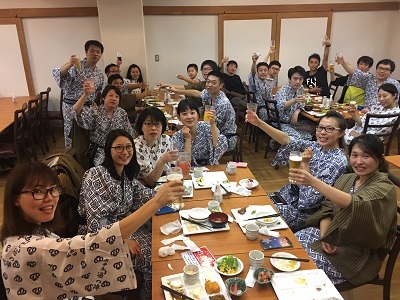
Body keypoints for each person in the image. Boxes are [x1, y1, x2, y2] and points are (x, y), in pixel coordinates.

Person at [0, 161, 184, 299]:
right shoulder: (25, 249)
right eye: (38, 191)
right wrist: (156, 202)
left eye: (53, 189)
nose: (49, 198)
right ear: (15, 199)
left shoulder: (33, 233)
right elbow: (92, 244)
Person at [293, 134, 397, 286]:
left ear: (380, 159)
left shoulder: (384, 188)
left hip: (357, 256)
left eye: (366, 156)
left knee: (300, 266)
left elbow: (357, 204)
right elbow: (328, 208)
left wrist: (313, 181)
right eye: (354, 155)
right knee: (290, 245)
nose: (359, 161)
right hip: (333, 235)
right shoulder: (348, 178)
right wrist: (325, 235)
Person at [78, 129, 166, 300]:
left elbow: (143, 195)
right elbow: (95, 224)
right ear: (108, 150)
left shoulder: (125, 175)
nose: (125, 152)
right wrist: (122, 240)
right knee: (152, 253)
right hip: (99, 240)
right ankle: (147, 296)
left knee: (160, 236)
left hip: (122, 228)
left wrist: (167, 195)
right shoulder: (95, 175)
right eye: (118, 148)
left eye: (128, 147)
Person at [246, 110, 348, 231]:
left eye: (329, 129)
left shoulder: (337, 161)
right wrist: (259, 123)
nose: (322, 133)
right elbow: (287, 140)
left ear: (341, 133)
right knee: (254, 203)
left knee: (256, 216)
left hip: (304, 212)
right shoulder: (317, 147)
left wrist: (305, 164)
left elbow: (309, 201)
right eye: (320, 128)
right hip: (289, 196)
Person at [52, 40, 104, 150]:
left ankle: (87, 156)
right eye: (92, 51)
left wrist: (93, 100)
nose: (95, 54)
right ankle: (72, 161)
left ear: (101, 55)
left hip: (89, 107)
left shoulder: (99, 73)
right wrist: (70, 63)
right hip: (72, 106)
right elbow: (60, 74)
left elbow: (97, 90)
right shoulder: (77, 66)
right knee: (72, 134)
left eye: (98, 52)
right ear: (86, 52)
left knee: (88, 134)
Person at [170, 71, 237, 151]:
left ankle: (201, 162)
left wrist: (190, 120)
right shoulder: (211, 93)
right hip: (212, 130)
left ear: (221, 85)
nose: (209, 85)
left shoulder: (222, 103)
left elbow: (212, 126)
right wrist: (177, 91)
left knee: (193, 142)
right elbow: (196, 93)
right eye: (208, 82)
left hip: (226, 138)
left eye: (214, 83)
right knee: (188, 136)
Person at [73, 83, 134, 167]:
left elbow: (129, 132)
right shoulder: (95, 111)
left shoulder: (121, 112)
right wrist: (85, 94)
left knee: (131, 162)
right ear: (103, 98)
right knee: (106, 167)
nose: (114, 98)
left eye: (117, 97)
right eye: (111, 95)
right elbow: (77, 110)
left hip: (119, 149)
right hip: (100, 150)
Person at [171, 99, 228, 166]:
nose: (189, 117)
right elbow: (185, 163)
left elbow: (218, 146)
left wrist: (212, 124)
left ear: (198, 115)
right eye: (184, 114)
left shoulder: (206, 127)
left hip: (210, 169)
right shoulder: (177, 137)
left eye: (192, 113)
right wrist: (188, 139)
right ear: (179, 117)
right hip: (190, 172)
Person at [134, 107, 179, 187]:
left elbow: (173, 165)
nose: (153, 128)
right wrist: (162, 160)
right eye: (148, 124)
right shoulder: (137, 147)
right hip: (147, 189)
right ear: (141, 126)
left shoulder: (166, 140)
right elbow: (151, 182)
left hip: (166, 183)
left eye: (157, 124)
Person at [275, 66, 315, 140]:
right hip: (281, 122)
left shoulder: (300, 89)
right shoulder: (283, 90)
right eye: (295, 78)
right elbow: (279, 106)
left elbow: (302, 104)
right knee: (299, 137)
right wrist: (294, 100)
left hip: (292, 122)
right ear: (289, 79)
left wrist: (296, 112)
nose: (298, 82)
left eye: (300, 79)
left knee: (315, 127)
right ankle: (279, 138)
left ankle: (289, 132)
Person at [248, 53, 275, 121]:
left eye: (265, 70)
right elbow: (253, 72)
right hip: (259, 107)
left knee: (279, 110)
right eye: (260, 70)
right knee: (265, 113)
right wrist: (254, 62)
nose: (263, 72)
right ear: (257, 71)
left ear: (268, 71)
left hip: (268, 105)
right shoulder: (255, 80)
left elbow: (270, 96)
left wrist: (270, 107)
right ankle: (263, 130)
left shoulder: (268, 82)